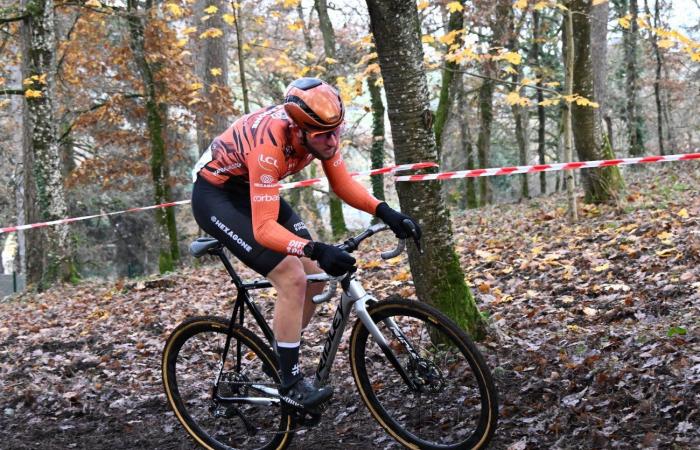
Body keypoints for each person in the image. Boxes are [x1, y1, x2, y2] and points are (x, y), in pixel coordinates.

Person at [191, 77, 421, 410]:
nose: (332, 142)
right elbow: (265, 229)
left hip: (254, 190)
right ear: (299, 131)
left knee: (314, 278)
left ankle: (278, 358)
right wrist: (315, 247)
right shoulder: (270, 145)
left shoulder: (321, 128)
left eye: (337, 132)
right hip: (217, 197)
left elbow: (341, 182)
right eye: (324, 136)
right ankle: (290, 383)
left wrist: (386, 213)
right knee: (292, 275)